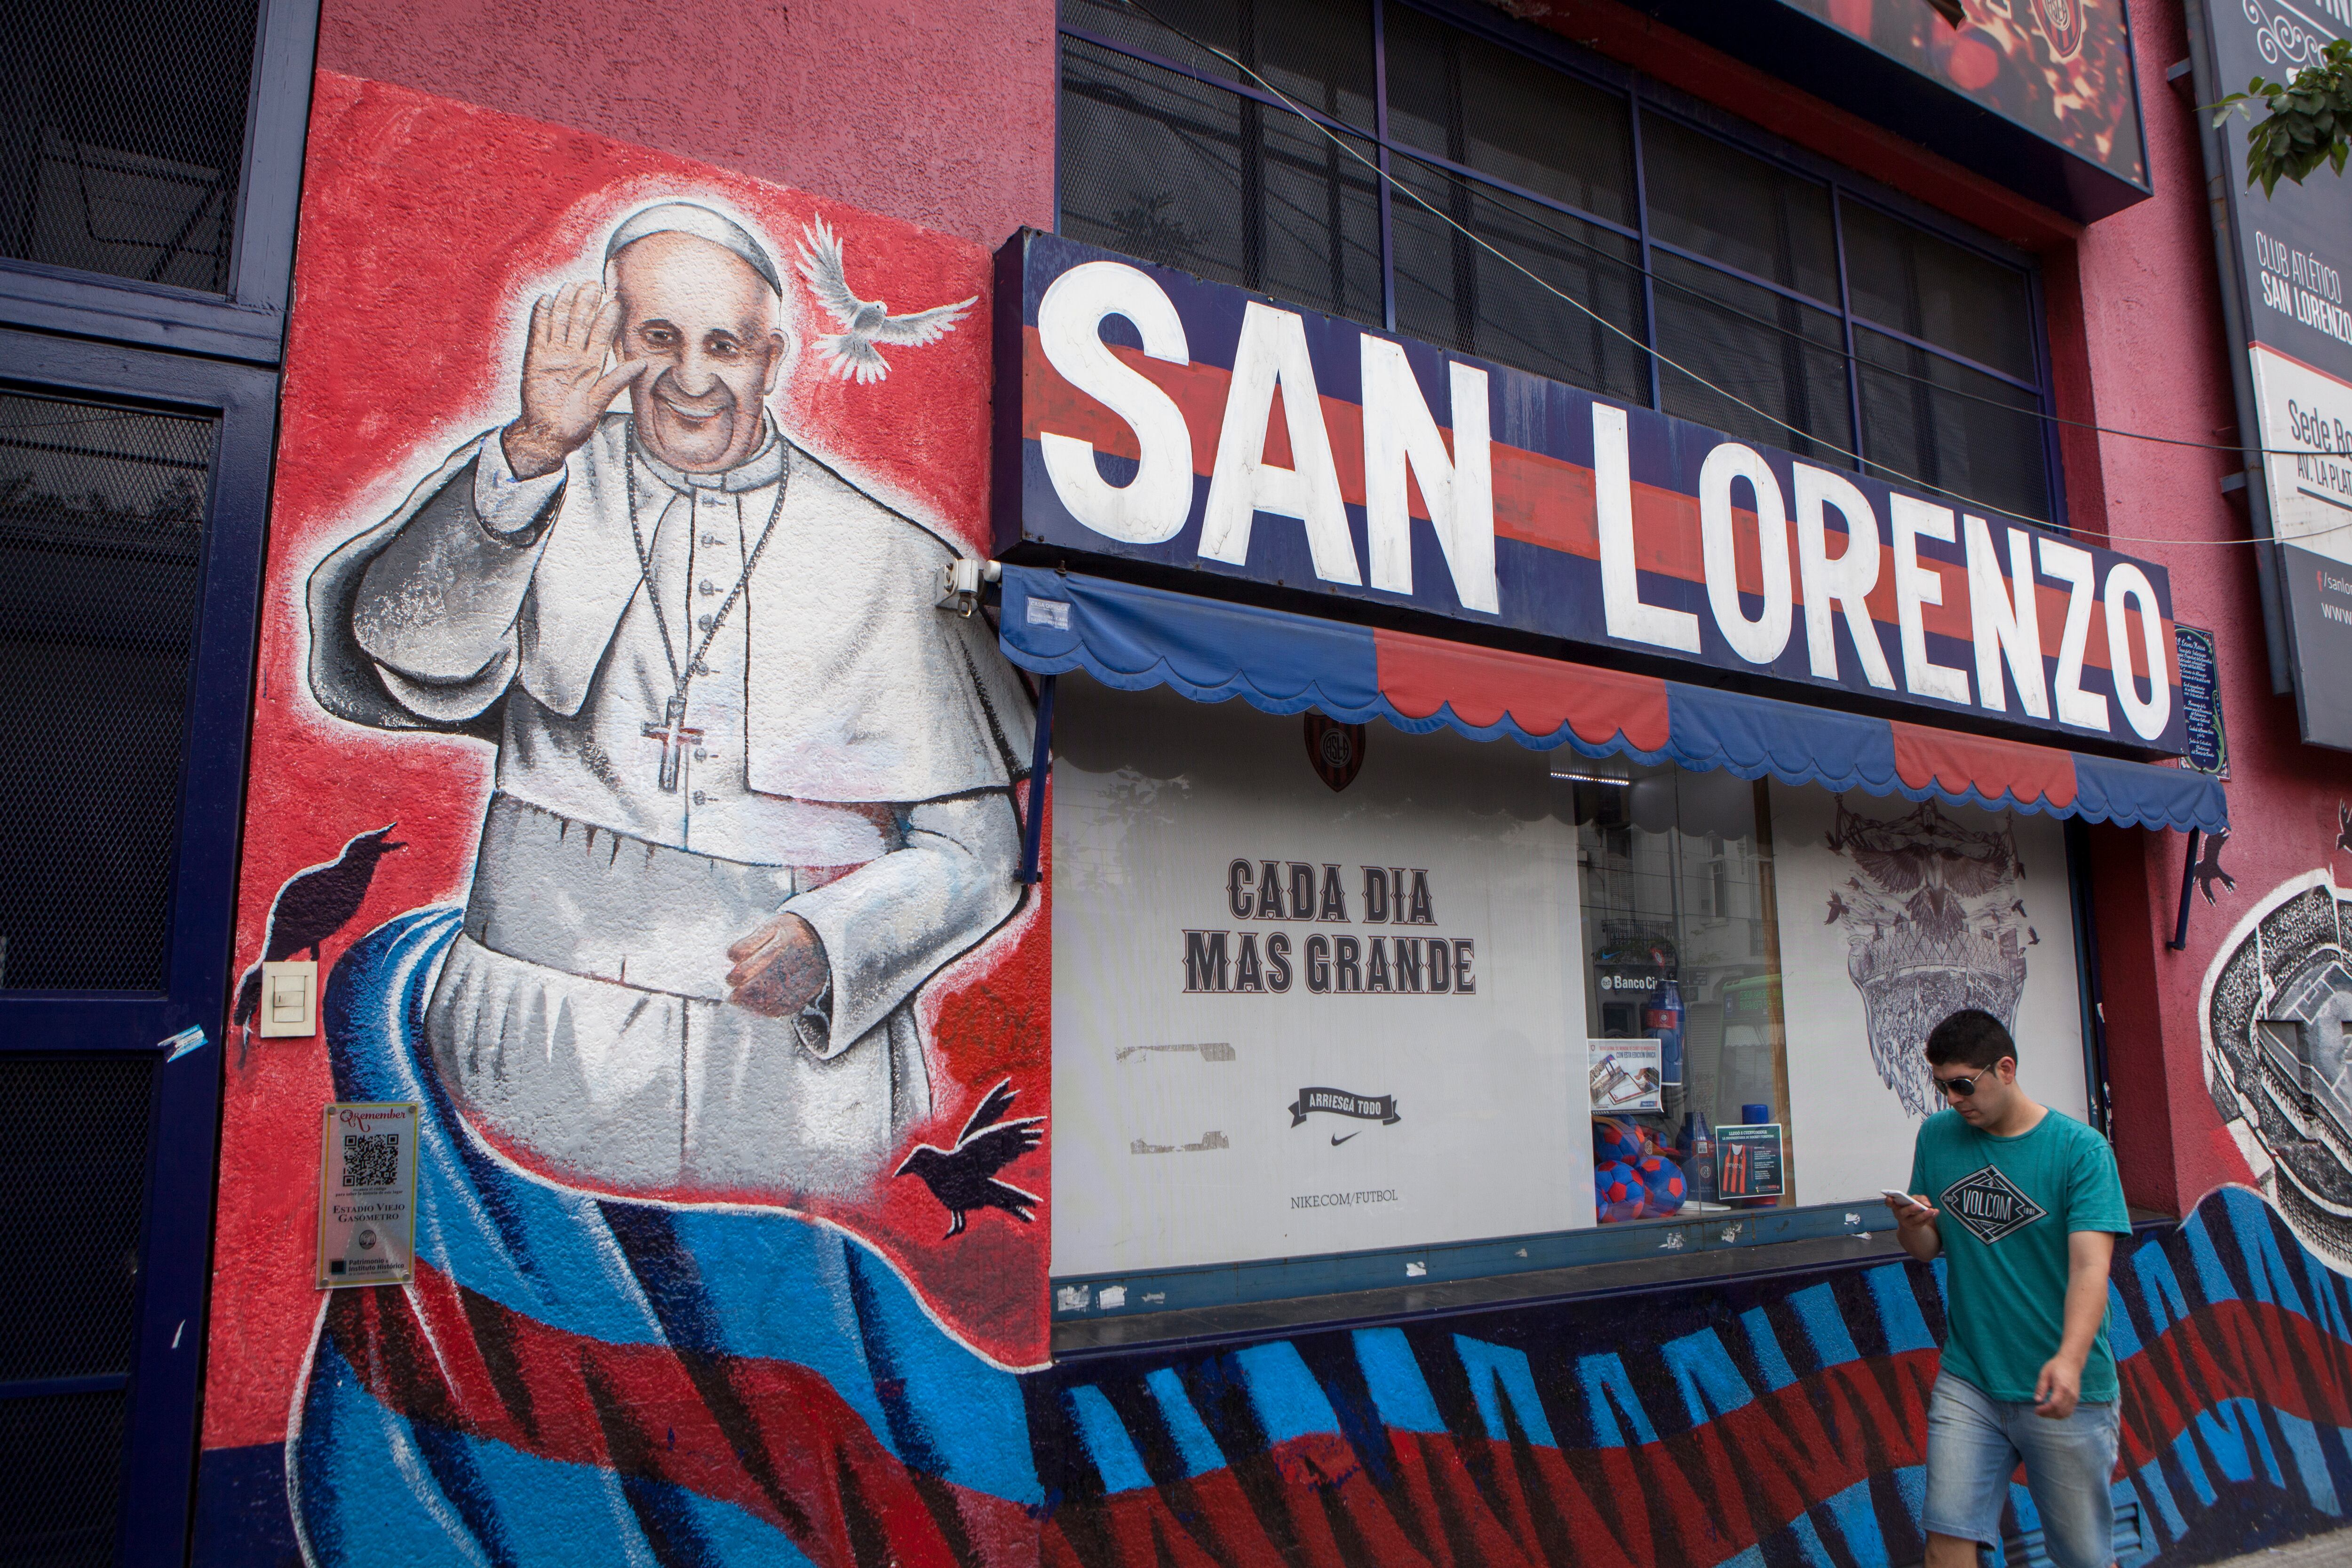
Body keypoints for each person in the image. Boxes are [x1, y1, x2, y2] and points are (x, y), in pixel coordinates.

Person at [306, 200, 1032, 1200]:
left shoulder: (886, 556)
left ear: (772, 356)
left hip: (792, 1080)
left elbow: (982, 857)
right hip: (530, 1036)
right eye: (657, 338)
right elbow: (408, 651)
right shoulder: (529, 477)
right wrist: (528, 453)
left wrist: (835, 938)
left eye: (724, 344)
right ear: (611, 341)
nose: (692, 379)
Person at [1887, 1008, 2130, 1568]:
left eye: (1963, 1085)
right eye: (1941, 1086)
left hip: (2062, 1389)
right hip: (1969, 1378)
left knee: (2082, 1557)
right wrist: (1910, 1225)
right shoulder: (1937, 1138)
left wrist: (2069, 1360)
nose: (1952, 1099)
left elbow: (2092, 1267)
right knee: (1945, 1542)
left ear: (2005, 1069)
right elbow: (1927, 1251)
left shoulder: (2080, 1151)